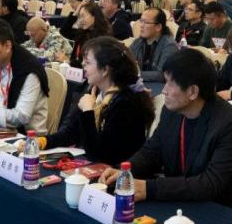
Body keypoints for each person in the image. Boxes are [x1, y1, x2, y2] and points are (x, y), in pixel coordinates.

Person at [100, 50, 232, 211]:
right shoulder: (172, 111)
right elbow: (151, 152)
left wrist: (150, 188)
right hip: (179, 202)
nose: (164, 90)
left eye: (170, 83)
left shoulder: (229, 122)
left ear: (193, 92)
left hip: (223, 210)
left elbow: (210, 183)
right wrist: (124, 172)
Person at [40, 37, 155, 166]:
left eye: (88, 62)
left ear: (105, 70)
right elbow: (69, 133)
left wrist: (88, 112)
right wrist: (41, 142)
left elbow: (100, 154)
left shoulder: (127, 102)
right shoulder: (96, 91)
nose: (82, 64)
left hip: (115, 171)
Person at [129, 7, 180, 83]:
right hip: (139, 85)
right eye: (141, 21)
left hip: (159, 87)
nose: (141, 25)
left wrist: (135, 74)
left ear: (158, 27)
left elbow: (162, 75)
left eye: (146, 22)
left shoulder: (169, 46)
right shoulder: (138, 42)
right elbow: (126, 62)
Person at [69, 2, 112, 68]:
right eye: (80, 17)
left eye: (83, 16)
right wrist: (76, 12)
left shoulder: (103, 37)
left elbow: (94, 64)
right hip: (76, 70)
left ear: (94, 16)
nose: (81, 20)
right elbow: (64, 31)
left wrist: (69, 61)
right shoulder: (83, 32)